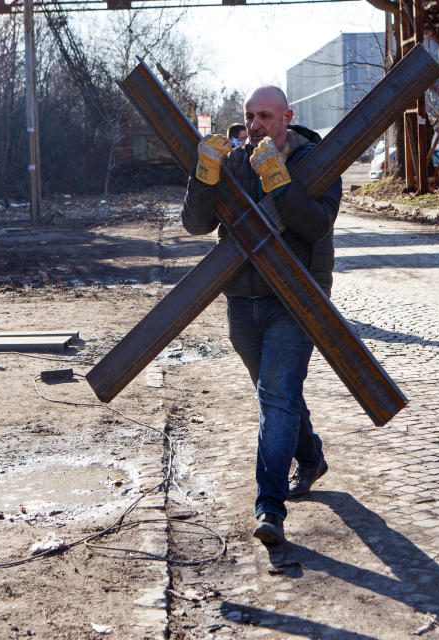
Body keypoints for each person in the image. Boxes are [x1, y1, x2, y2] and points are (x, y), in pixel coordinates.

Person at [181, 86, 341, 546]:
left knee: (275, 397)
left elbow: (316, 224)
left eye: (265, 116)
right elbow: (196, 224)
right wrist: (203, 175)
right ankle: (309, 456)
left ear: (287, 117)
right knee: (278, 396)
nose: (255, 125)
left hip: (295, 300)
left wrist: (279, 180)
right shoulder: (233, 161)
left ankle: (269, 507)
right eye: (250, 116)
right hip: (241, 300)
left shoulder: (319, 162)